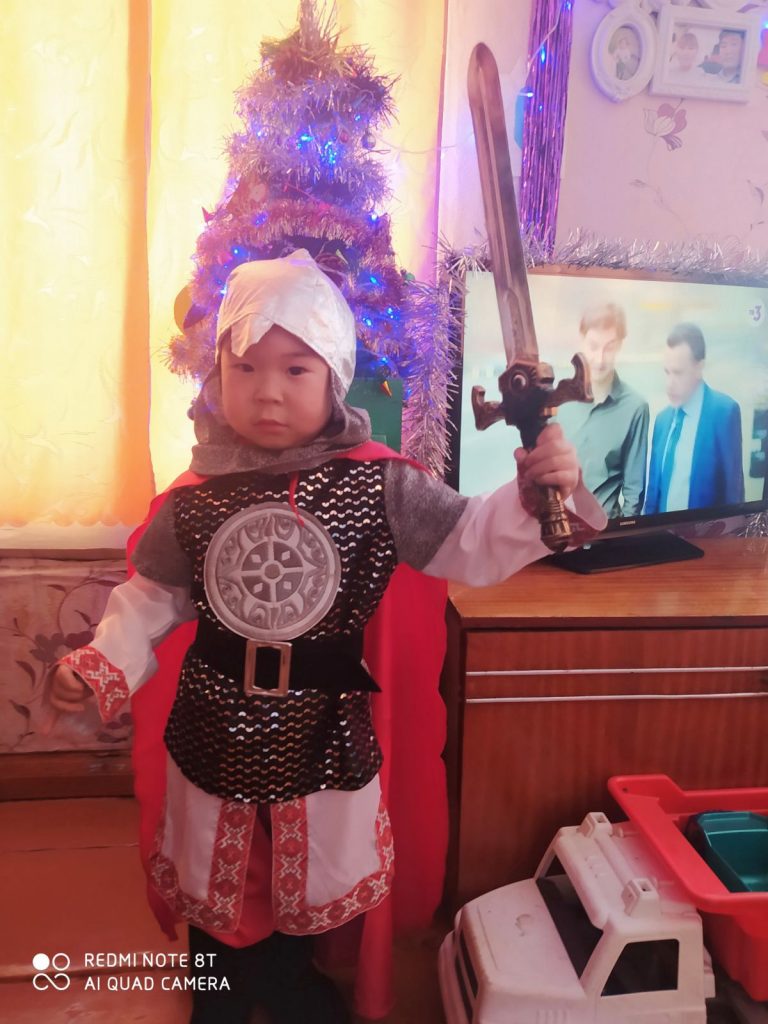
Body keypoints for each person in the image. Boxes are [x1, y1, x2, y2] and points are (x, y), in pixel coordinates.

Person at [46, 251, 605, 1024]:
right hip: (213, 724)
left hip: (323, 728)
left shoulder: (383, 484)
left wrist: (538, 489)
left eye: (296, 369)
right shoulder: (196, 495)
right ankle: (223, 1001)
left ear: (334, 377)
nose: (268, 390)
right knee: (218, 892)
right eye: (245, 368)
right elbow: (151, 600)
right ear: (219, 376)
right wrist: (100, 663)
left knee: (297, 894)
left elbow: (473, 541)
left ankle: (289, 995)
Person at [556, 303, 649, 519]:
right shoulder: (558, 400)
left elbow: (634, 491)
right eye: (593, 346)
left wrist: (622, 535)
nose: (600, 359)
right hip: (559, 530)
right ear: (581, 341)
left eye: (609, 347)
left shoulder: (635, 407)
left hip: (606, 530)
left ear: (620, 346)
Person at [645, 323, 744, 515]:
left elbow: (734, 496)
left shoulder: (724, 413)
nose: (669, 384)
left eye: (678, 373)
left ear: (699, 367)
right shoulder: (662, 421)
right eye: (667, 372)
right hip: (662, 532)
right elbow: (653, 495)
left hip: (706, 532)